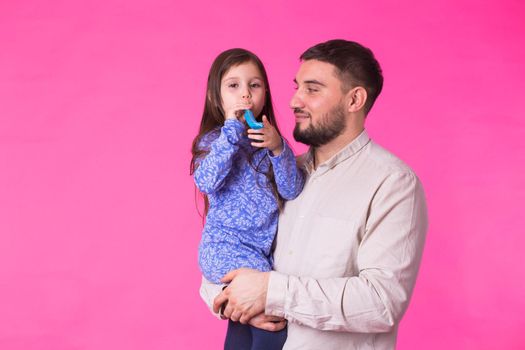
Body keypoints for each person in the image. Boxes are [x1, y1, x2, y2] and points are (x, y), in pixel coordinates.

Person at [201, 39, 429, 349]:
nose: (295, 101)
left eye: (312, 89)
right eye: (296, 87)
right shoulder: (274, 171)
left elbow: (382, 303)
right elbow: (223, 258)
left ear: (354, 100)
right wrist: (231, 301)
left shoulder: (392, 184)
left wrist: (270, 292)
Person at [190, 48, 305, 350]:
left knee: (245, 327)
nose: (245, 95)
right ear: (216, 98)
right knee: (273, 320)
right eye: (233, 86)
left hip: (257, 256)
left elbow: (291, 189)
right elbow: (206, 180)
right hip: (225, 250)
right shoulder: (214, 141)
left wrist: (279, 148)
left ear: (265, 93)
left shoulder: (269, 144)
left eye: (254, 85)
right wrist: (230, 131)